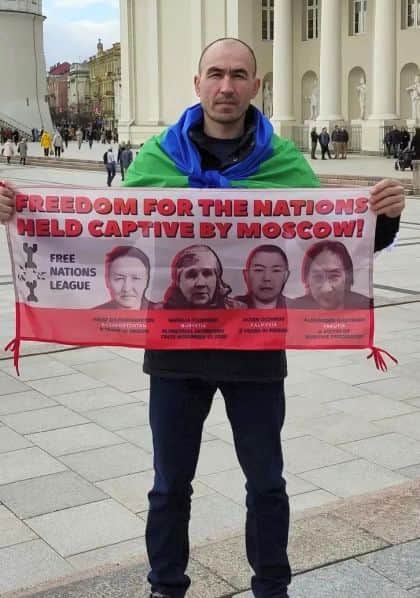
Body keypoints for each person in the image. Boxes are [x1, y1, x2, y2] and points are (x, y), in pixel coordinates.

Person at [0, 37, 405, 598]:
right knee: (170, 486)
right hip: (175, 352)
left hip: (256, 351)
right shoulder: (157, 159)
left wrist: (384, 219)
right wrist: (23, 213)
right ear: (198, 83)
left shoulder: (284, 162)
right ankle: (166, 588)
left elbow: (329, 241)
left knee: (267, 485)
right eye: (216, 74)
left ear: (255, 86)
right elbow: (104, 234)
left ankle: (272, 588)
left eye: (238, 75)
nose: (226, 86)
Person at [290, 240, 370, 310]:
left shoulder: (365, 306)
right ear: (307, 279)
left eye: (334, 276)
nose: (326, 289)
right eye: (318, 277)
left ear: (347, 277)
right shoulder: (293, 309)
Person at [163, 244, 243, 309]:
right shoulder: (160, 312)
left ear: (217, 279)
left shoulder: (238, 309)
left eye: (207, 273)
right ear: (178, 282)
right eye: (191, 275)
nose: (200, 283)